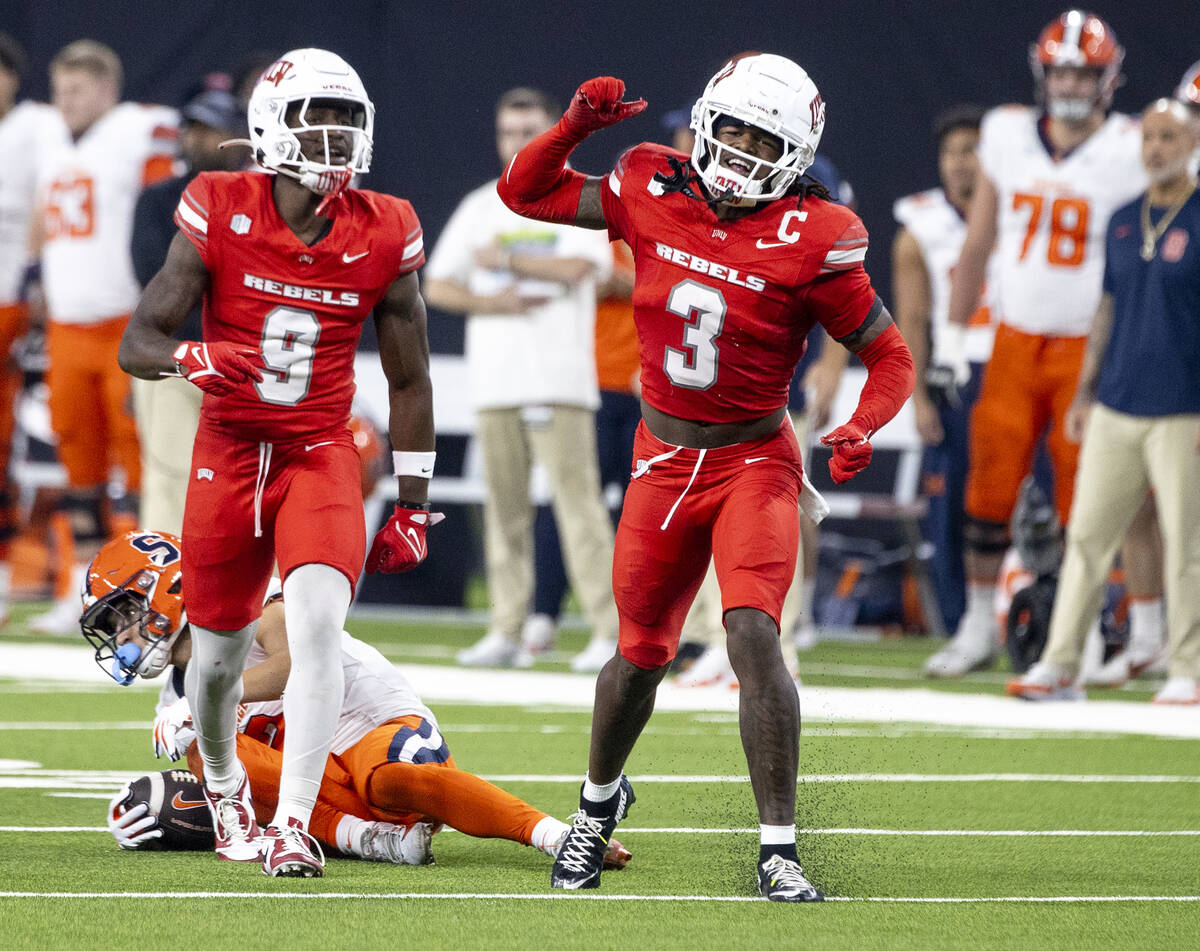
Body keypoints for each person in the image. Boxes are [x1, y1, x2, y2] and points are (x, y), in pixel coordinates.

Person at [496, 54, 915, 901]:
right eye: (734, 130)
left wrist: (864, 422)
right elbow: (524, 194)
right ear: (706, 122)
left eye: (767, 139)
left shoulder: (816, 235)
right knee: (638, 655)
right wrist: (576, 126)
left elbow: (890, 355)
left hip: (754, 459)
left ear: (798, 153)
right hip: (660, 459)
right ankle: (596, 806)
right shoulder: (649, 181)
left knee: (753, 631)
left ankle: (778, 847)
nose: (745, 150)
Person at [117, 48, 437, 878]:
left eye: (345, 119)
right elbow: (137, 340)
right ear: (269, 126)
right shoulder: (219, 203)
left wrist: (413, 497)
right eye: (314, 117)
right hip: (228, 451)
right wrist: (194, 357)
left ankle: (292, 823)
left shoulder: (386, 225)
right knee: (218, 663)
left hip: (318, 450)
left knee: (319, 626)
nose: (332, 135)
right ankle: (227, 790)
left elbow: (409, 376)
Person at [86, 529, 630, 870]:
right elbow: (236, 790)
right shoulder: (175, 690)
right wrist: (165, 806)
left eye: (123, 616)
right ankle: (371, 841)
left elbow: (292, 666)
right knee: (209, 757)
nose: (122, 636)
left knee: (389, 782)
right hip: (322, 780)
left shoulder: (244, 608)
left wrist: (208, 705)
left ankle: (559, 835)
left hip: (368, 722)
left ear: (165, 590)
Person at [925, 11, 1148, 677]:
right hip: (1015, 341)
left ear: (1108, 78)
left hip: (1089, 348)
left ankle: (1097, 627)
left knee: (1092, 493)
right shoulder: (1006, 134)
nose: (1072, 83)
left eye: (1084, 71)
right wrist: (950, 340)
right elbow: (980, 240)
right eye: (1063, 70)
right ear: (1042, 74)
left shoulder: (1133, 147)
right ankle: (975, 622)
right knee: (988, 486)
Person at [1006, 99, 1200, 704]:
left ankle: (1188, 668)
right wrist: (1086, 390)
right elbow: (1106, 310)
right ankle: (1061, 664)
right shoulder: (1121, 219)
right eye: (1149, 137)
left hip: (1183, 408)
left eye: (1169, 137)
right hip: (1117, 404)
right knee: (1086, 537)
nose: (1156, 149)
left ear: (1193, 144)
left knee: (1186, 543)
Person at [424, 87, 619, 672]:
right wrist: (494, 303)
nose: (517, 143)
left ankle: (610, 632)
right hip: (497, 383)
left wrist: (507, 262)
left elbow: (590, 266)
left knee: (578, 510)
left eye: (529, 131)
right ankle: (507, 629)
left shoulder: (580, 196)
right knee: (503, 513)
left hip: (560, 381)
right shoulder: (483, 203)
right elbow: (437, 284)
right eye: (509, 132)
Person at [26, 40, 178, 634]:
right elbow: (46, 213)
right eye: (60, 88)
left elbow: (169, 204)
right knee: (78, 462)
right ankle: (80, 588)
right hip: (66, 324)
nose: (66, 100)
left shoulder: (139, 129)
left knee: (137, 461)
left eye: (79, 89)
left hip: (123, 324)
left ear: (109, 89)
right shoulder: (48, 138)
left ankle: (145, 596)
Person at [892, 106, 992, 638]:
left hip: (1012, 364)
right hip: (955, 376)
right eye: (951, 152)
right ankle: (959, 622)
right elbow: (911, 318)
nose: (960, 163)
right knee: (950, 502)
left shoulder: (1020, 213)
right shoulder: (920, 226)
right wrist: (919, 399)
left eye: (972, 150)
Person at [130, 85, 243, 536]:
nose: (198, 139)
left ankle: (248, 600)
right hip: (174, 357)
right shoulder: (158, 200)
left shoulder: (268, 199)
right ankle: (166, 595)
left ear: (238, 136)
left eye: (210, 128)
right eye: (193, 128)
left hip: (242, 362)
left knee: (247, 485)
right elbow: (153, 277)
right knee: (169, 478)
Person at [0, 33, 58, 625]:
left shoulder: (38, 127)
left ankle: (14, 568)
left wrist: (38, 286)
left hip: (13, 304)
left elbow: (52, 200)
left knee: (5, 442)